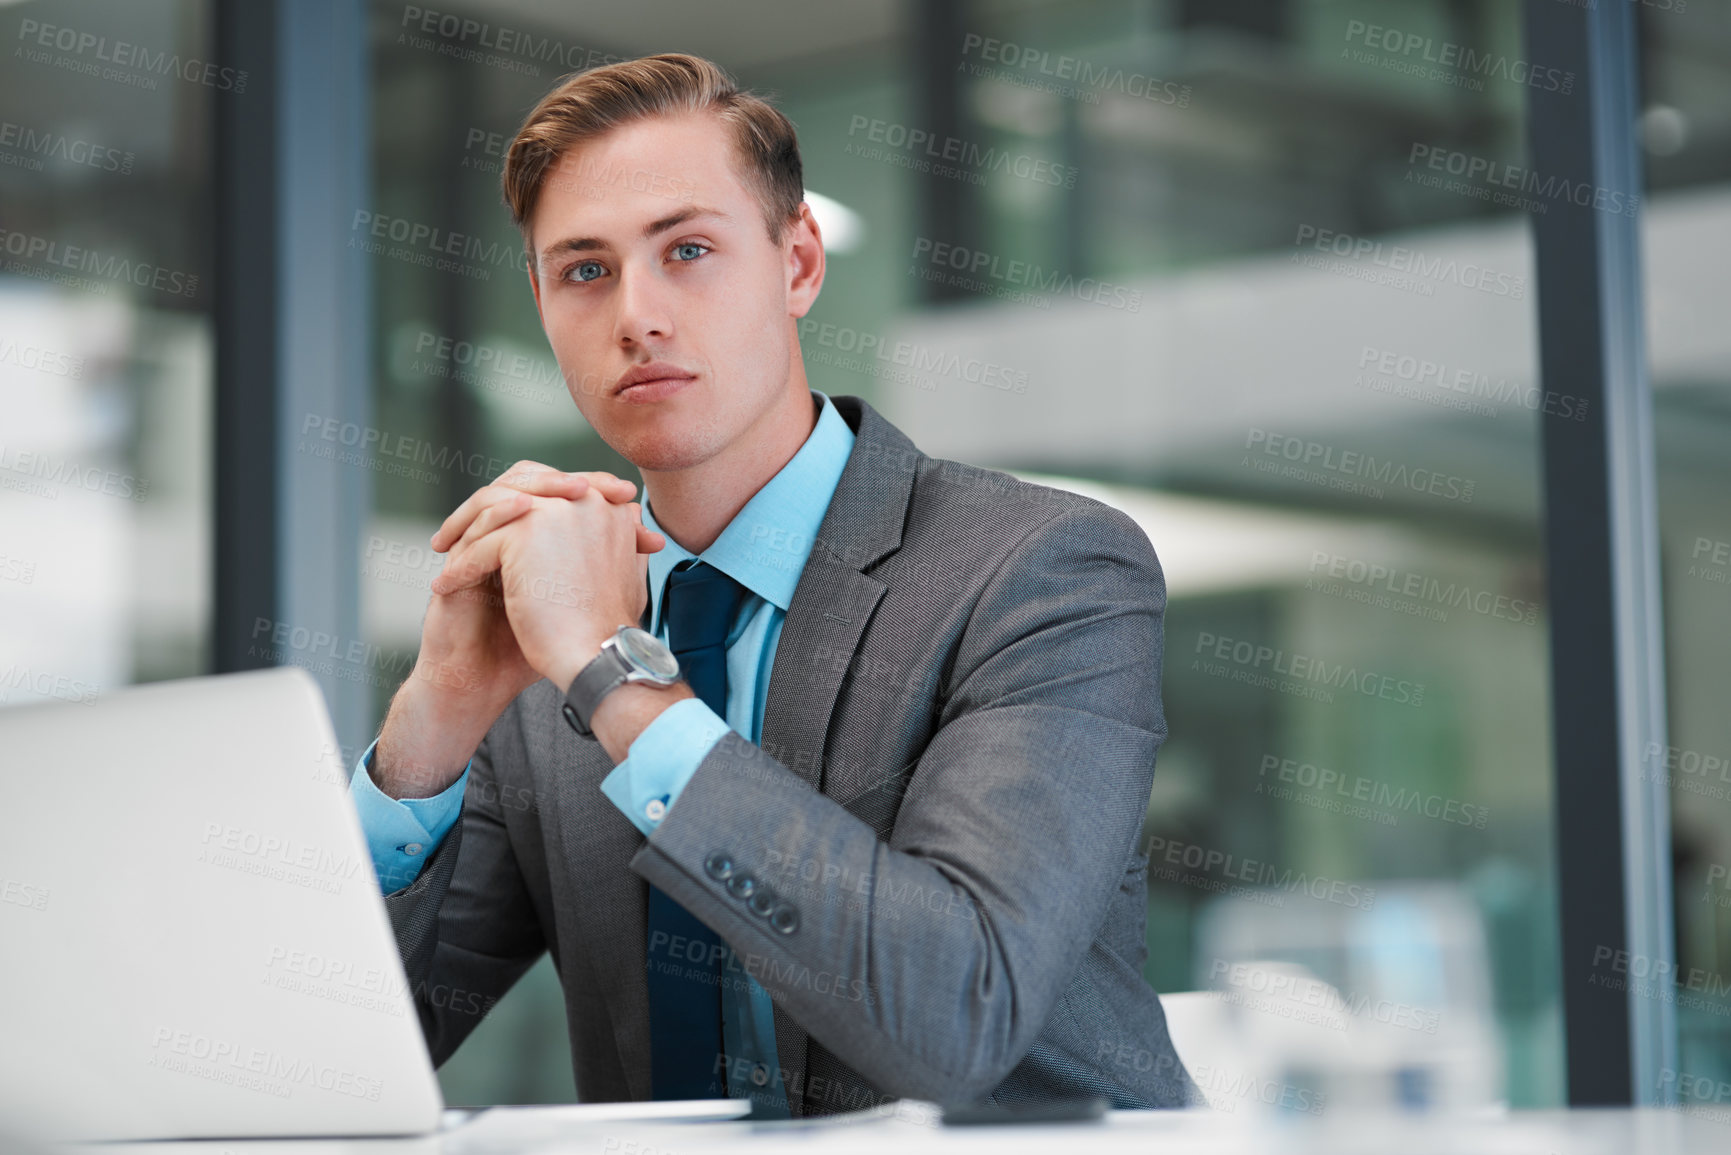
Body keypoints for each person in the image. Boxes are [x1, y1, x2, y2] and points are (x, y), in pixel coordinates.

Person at [348, 52, 1197, 1118]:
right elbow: (320, 1056)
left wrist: (614, 676)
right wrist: (430, 727)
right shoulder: (547, 632)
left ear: (798, 264)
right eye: (585, 270)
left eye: (688, 250)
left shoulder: (1041, 570)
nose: (636, 316)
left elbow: (956, 1013)